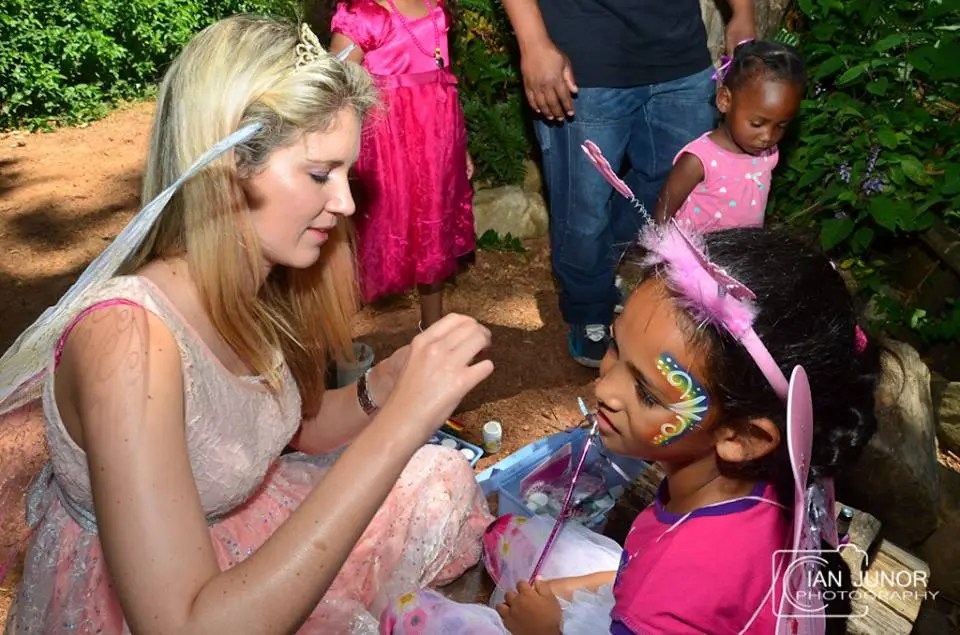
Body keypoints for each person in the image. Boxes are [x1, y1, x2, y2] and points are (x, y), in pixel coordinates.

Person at [1, 16, 494, 633]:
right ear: (229, 166)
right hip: (178, 605)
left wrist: (387, 386)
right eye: (320, 174)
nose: (344, 202)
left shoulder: (257, 282)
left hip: (241, 523)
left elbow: (278, 428)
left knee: (440, 482)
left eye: (346, 173)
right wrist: (400, 425)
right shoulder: (129, 345)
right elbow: (184, 625)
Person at [379, 224, 881, 633]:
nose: (605, 389)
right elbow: (649, 570)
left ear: (742, 438)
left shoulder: (676, 590)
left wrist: (551, 630)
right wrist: (583, 592)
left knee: (410, 616)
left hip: (650, 611)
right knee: (505, 534)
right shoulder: (778, 480)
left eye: (647, 392)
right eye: (616, 347)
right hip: (653, 595)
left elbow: (666, 592)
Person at [501, 0, 757, 368]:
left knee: (670, 189)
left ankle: (601, 266)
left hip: (681, 57)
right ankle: (588, 305)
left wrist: (742, 11)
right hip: (582, 58)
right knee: (584, 206)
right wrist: (533, 42)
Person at [328, 0, 474, 330]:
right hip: (386, 148)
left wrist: (458, 147)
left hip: (435, 145)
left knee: (432, 230)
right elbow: (336, 94)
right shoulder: (363, 16)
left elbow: (444, 83)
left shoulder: (434, 7)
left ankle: (432, 326)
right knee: (367, 232)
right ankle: (334, 342)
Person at [654, 40, 806, 231]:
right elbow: (661, 215)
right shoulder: (698, 161)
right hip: (695, 257)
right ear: (725, 100)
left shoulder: (768, 154)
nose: (768, 136)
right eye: (757, 124)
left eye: (781, 125)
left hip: (741, 255)